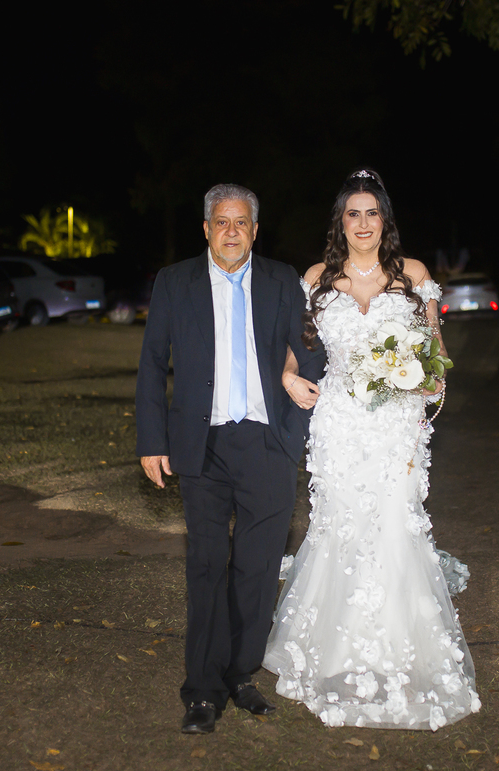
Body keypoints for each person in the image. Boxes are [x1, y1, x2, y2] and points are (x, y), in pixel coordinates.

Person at [263, 169, 481, 730]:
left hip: (396, 425)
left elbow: (435, 351)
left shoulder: (413, 275)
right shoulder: (316, 277)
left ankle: (399, 643)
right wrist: (288, 376)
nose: (363, 223)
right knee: (340, 523)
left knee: (393, 522)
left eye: (372, 213)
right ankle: (333, 647)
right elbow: (298, 345)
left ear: (385, 220)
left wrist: (429, 380)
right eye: (353, 213)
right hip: (337, 422)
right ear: (341, 222)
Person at [136, 184, 324, 735]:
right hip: (202, 445)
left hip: (267, 444)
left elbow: (310, 348)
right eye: (222, 221)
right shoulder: (175, 282)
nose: (232, 231)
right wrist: (152, 440)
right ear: (206, 229)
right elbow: (152, 363)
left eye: (242, 222)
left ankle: (241, 675)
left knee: (258, 568)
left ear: (255, 230)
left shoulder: (282, 279)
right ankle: (202, 689)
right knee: (207, 563)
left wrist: (294, 377)